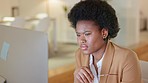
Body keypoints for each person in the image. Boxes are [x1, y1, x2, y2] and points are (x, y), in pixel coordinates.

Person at [67, 0, 143, 83]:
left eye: (87, 34)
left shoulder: (126, 58)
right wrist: (76, 77)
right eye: (78, 35)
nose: (81, 40)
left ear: (104, 33)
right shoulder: (80, 55)